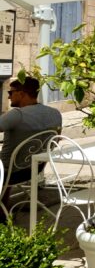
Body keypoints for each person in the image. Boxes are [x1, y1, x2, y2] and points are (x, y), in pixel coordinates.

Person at [0, 77, 62, 210]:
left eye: (11, 93)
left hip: (7, 172)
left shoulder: (17, 115)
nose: (9, 97)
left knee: (6, 165)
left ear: (21, 93)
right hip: (34, 169)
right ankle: (2, 210)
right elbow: (57, 138)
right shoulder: (55, 113)